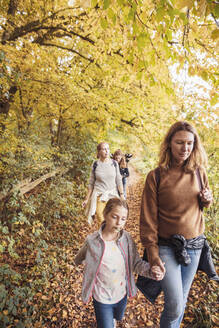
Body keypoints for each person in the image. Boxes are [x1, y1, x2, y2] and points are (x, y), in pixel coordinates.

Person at [140, 121, 213, 328]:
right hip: (166, 247)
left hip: (195, 247)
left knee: (181, 301)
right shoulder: (155, 176)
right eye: (180, 142)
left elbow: (204, 201)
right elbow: (148, 220)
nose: (185, 148)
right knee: (174, 305)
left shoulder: (199, 172)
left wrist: (207, 199)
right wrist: (152, 255)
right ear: (169, 144)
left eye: (190, 143)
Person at [75, 198, 165, 328]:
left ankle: (113, 320)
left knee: (117, 316)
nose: (118, 223)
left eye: (123, 219)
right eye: (114, 217)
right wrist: (83, 263)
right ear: (105, 214)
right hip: (101, 298)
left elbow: (136, 263)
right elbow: (79, 257)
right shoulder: (92, 241)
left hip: (121, 295)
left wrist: (151, 271)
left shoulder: (126, 239)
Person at [82, 142, 125, 225]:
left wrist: (122, 195)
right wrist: (86, 199)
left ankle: (112, 237)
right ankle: (103, 237)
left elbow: (119, 180)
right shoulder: (95, 164)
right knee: (101, 219)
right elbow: (91, 183)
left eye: (108, 149)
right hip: (99, 196)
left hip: (112, 196)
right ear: (99, 152)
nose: (107, 151)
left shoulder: (114, 163)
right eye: (104, 149)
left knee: (113, 220)